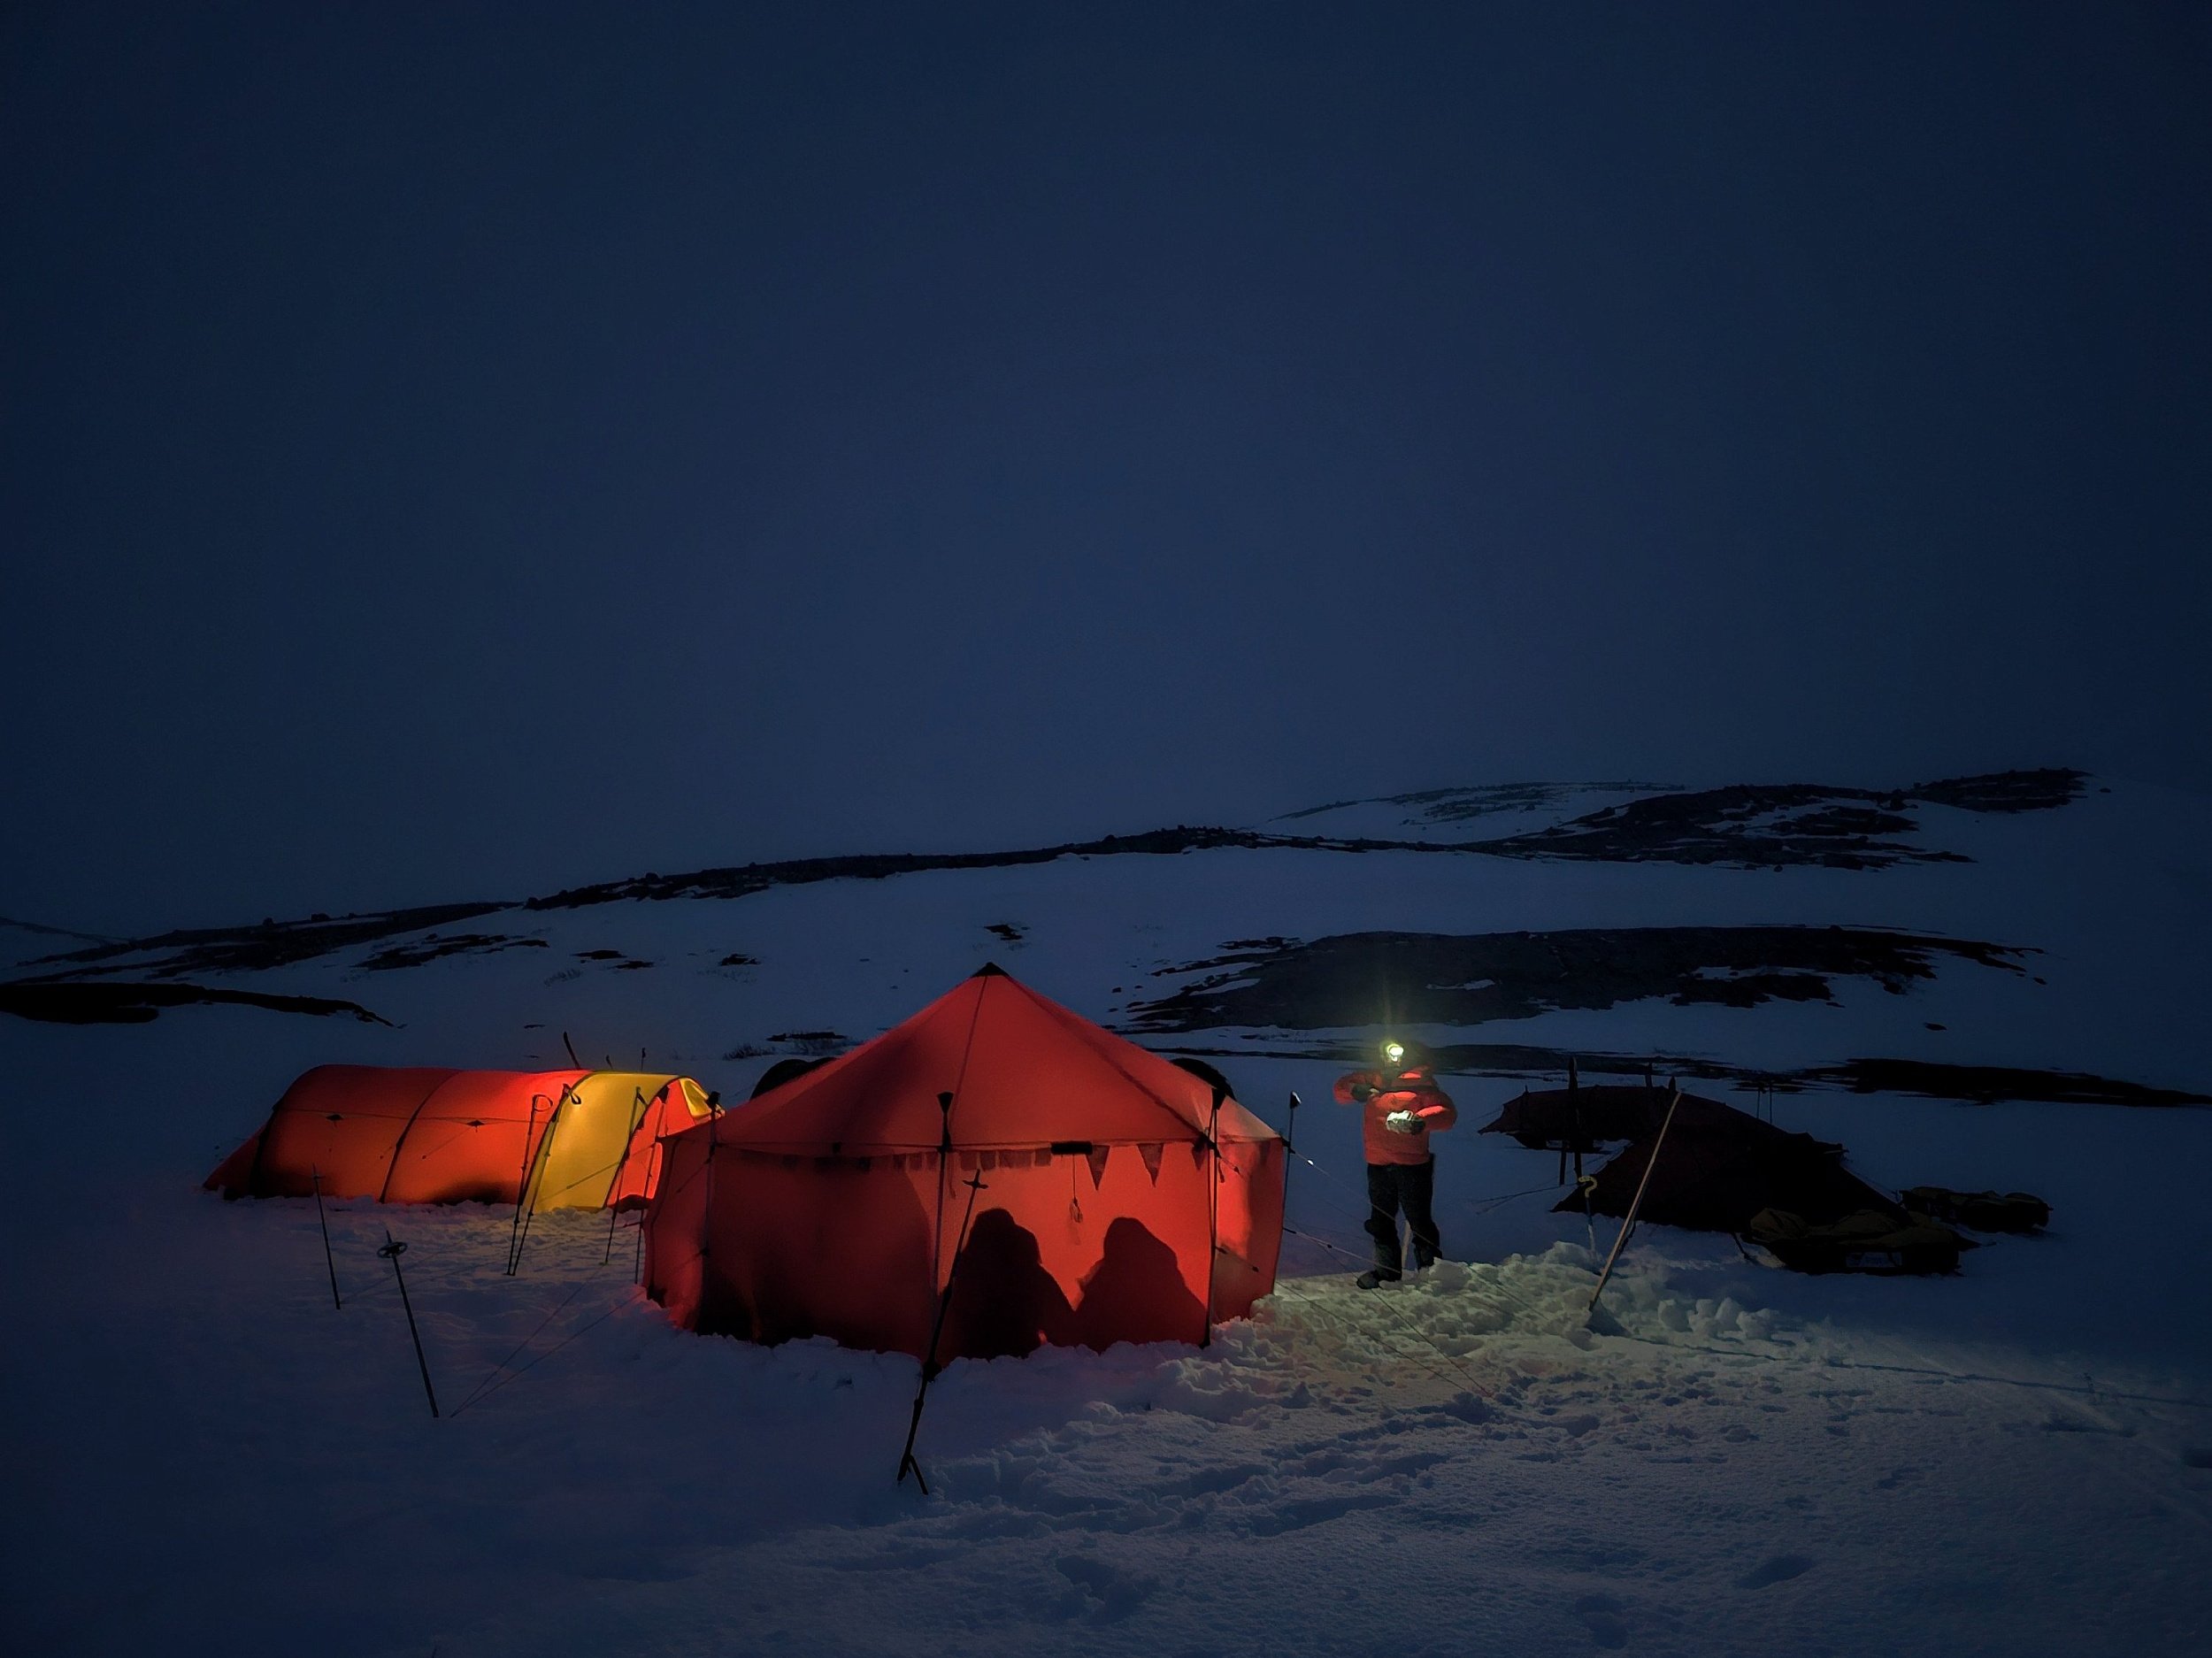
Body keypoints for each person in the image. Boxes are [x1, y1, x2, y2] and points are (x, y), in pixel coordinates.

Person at [1333, 1038, 1457, 1287]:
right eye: (1389, 1053)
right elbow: (1340, 1090)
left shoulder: (1424, 1085)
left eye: (1398, 1054)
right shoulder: (1376, 1079)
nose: (1393, 1059)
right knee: (1380, 1220)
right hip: (1378, 1164)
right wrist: (1356, 1090)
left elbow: (1446, 1115)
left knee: (1419, 1220)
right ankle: (1386, 1273)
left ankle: (1431, 1273)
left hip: (1413, 1166)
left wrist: (1419, 1120)